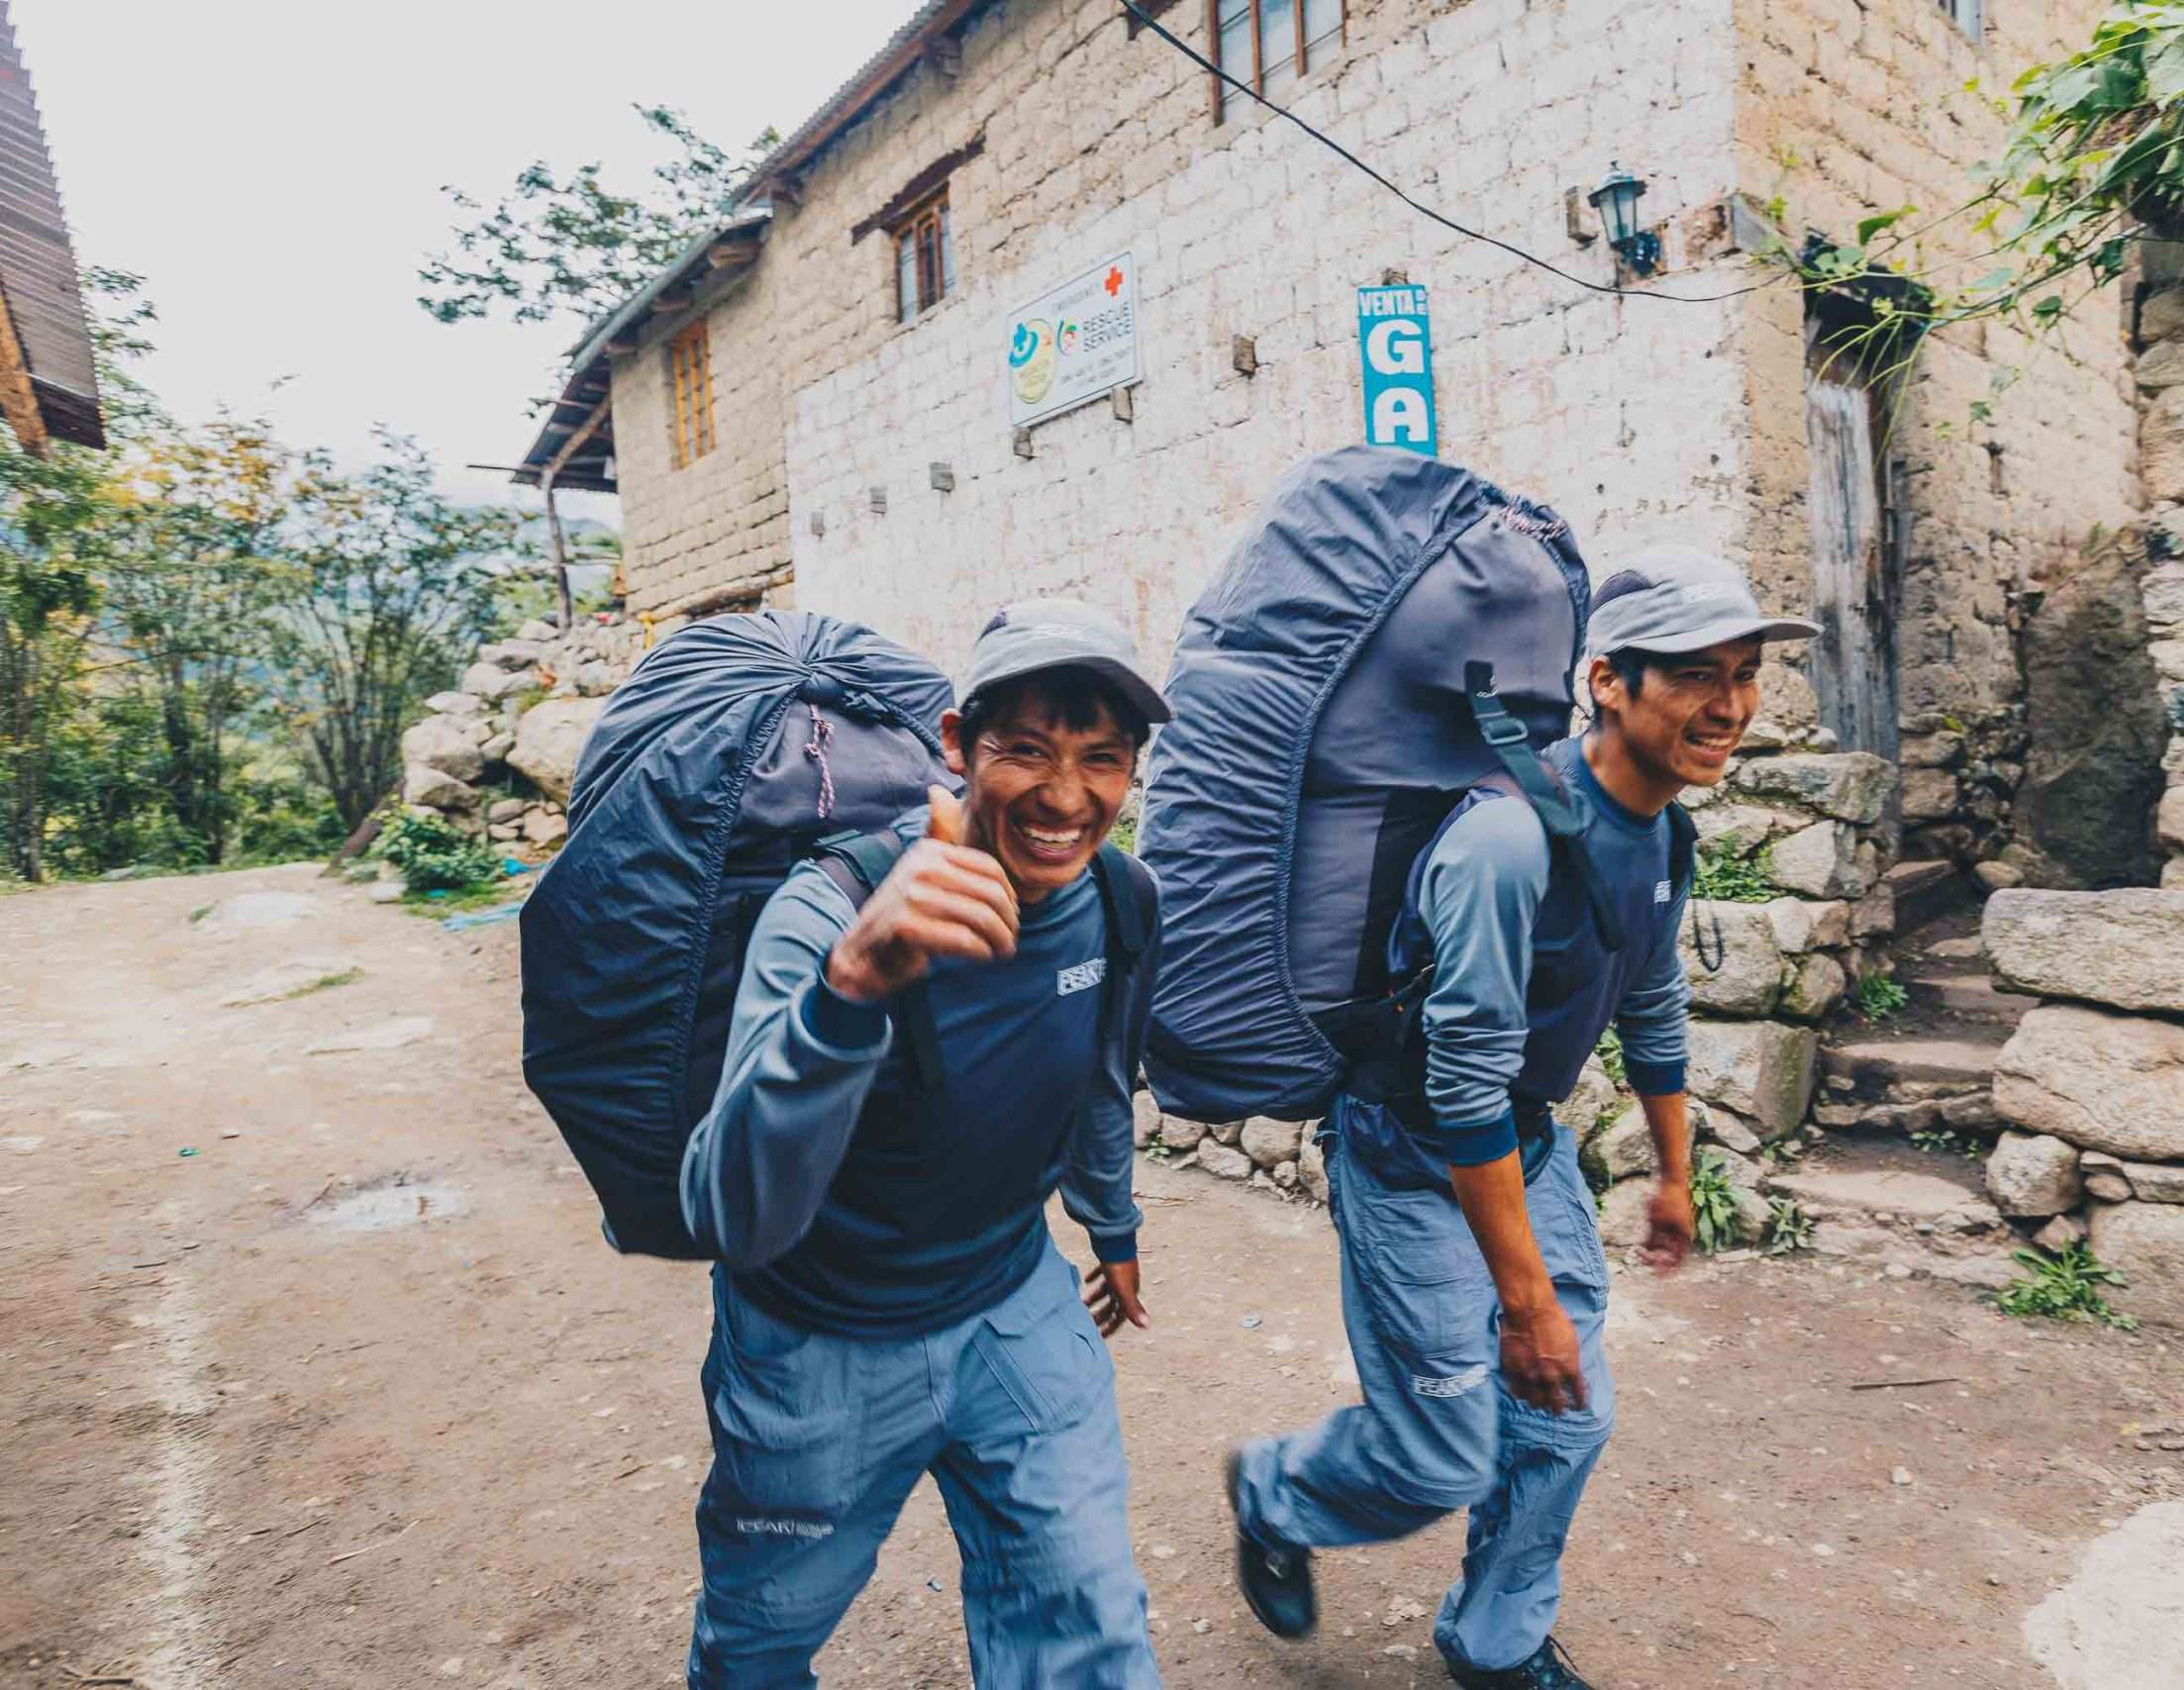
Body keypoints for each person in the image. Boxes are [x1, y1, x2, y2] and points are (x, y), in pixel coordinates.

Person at [1225, 552, 1821, 1689]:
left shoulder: (1662, 834)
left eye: (1743, 674)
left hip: (1522, 1142)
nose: (1731, 705)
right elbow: (1457, 1090)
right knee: (1440, 1450)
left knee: (1564, 1419)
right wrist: (1526, 1300)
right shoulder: (1503, 842)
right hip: (1409, 1154)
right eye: (1696, 675)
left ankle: (1492, 1641)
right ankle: (1274, 1490)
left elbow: (1647, 998)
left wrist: (1674, 1172)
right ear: (1607, 681)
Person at [678, 599, 1170, 1689]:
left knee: (1087, 1621)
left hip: (1012, 1301)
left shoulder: (1123, 900)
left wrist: (1111, 1221)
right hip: (818, 1343)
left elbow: (1094, 1076)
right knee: (758, 1643)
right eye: (1025, 750)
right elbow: (726, 1213)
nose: (1065, 795)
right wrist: (850, 989)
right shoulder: (831, 908)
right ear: (955, 746)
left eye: (1103, 759)